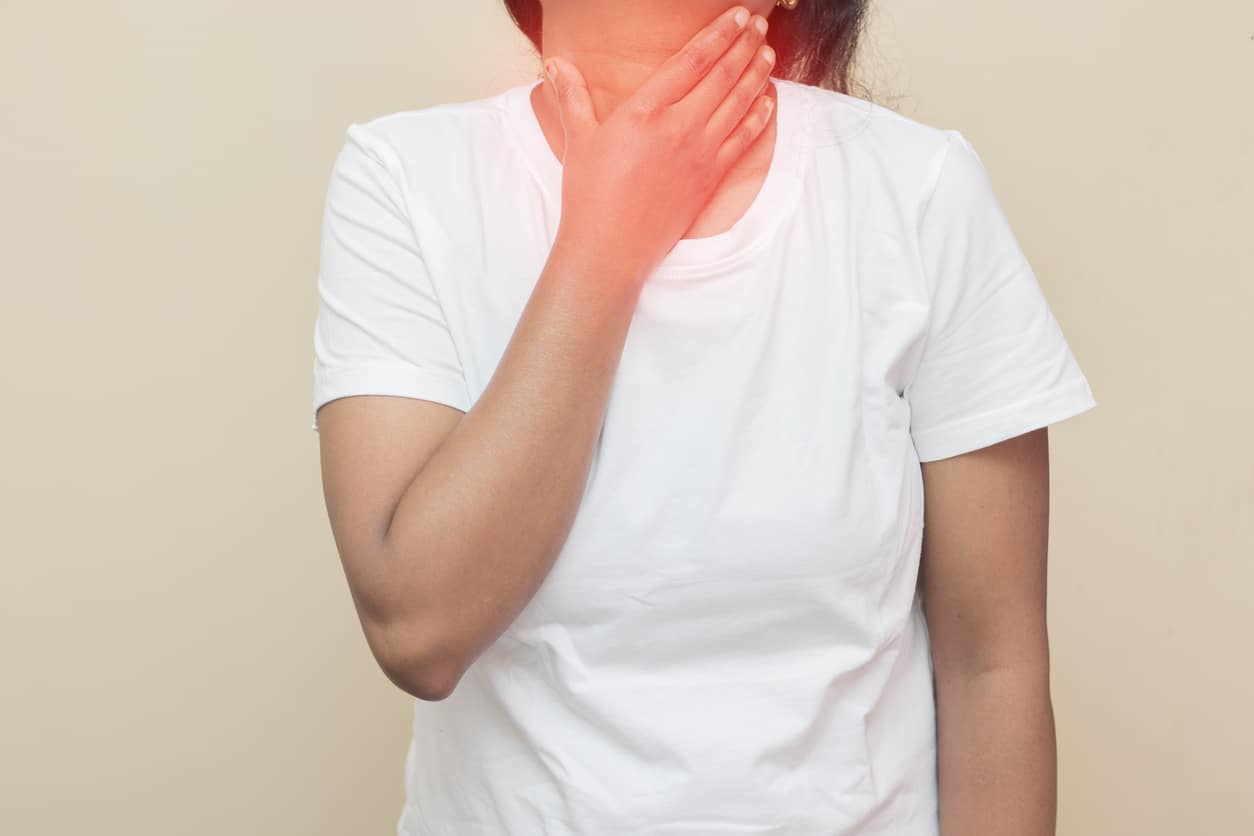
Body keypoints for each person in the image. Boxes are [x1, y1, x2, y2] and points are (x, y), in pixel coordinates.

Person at [310, 1, 1097, 833]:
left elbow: (993, 670)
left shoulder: (919, 189)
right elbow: (418, 630)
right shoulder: (405, 178)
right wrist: (608, 238)